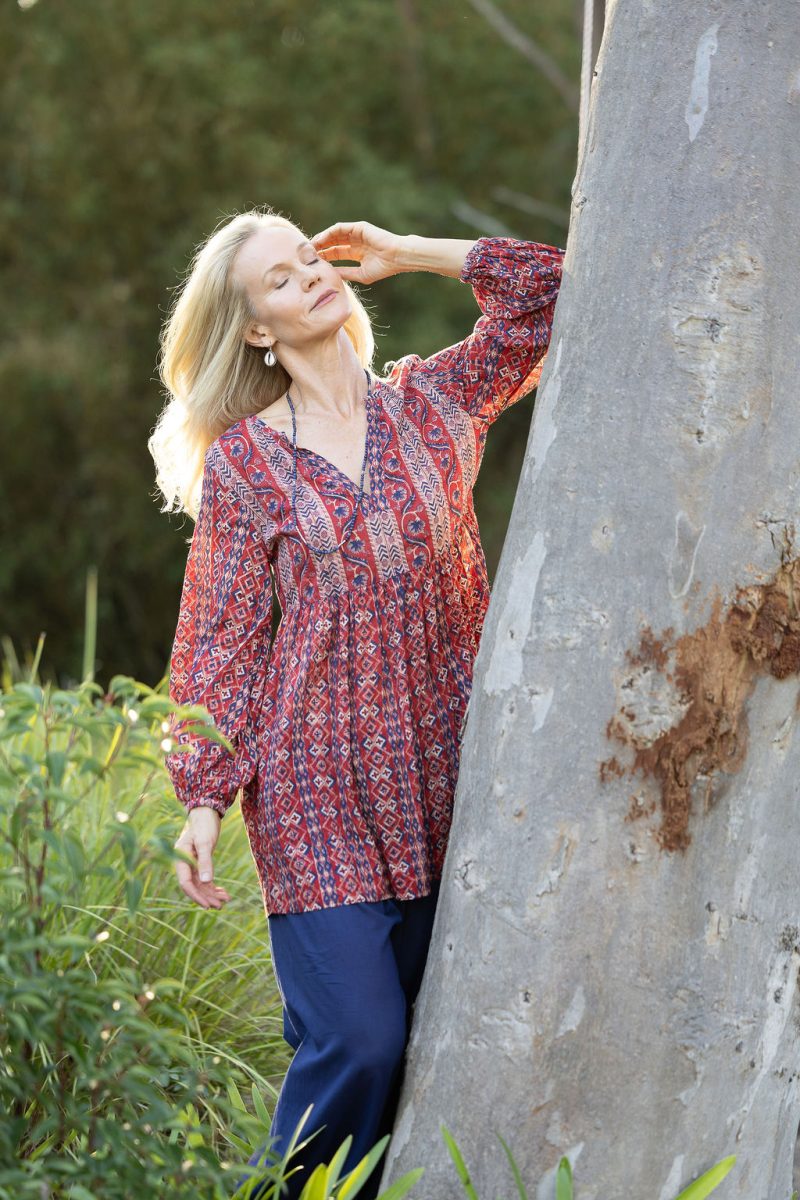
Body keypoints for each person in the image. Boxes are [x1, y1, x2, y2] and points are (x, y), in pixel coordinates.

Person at [150, 211, 564, 1199]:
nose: (312, 279)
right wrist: (202, 799)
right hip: (314, 802)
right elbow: (220, 646)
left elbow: (550, 296)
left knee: (425, 1054)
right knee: (360, 1045)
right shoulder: (247, 463)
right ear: (255, 332)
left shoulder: (431, 403)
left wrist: (415, 252)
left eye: (310, 260)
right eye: (283, 282)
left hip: (448, 791)